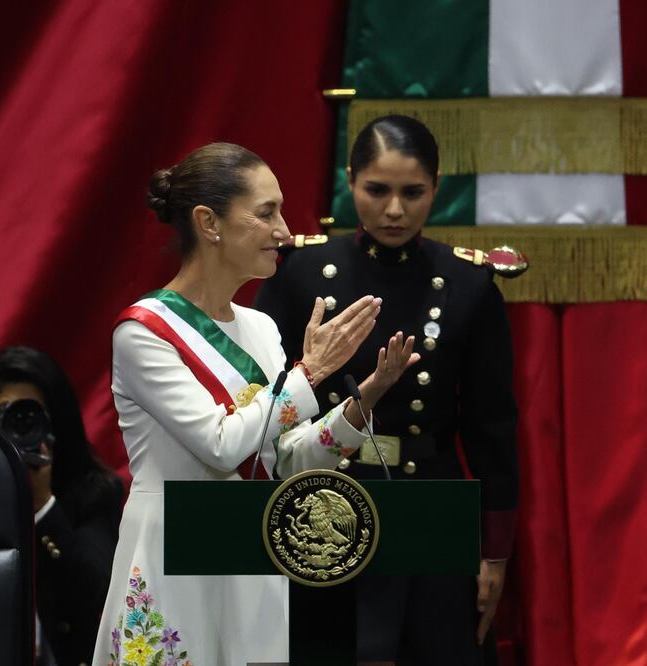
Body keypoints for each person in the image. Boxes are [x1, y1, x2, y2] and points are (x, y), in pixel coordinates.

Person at [90, 142, 419, 666]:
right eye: (266, 213)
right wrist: (309, 374)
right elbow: (222, 447)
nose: (285, 231)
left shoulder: (262, 328)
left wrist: (365, 398)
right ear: (208, 222)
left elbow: (286, 462)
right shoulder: (143, 332)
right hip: (174, 550)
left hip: (250, 550)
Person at [254, 114, 520, 665]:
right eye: (377, 190)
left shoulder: (469, 284)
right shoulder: (301, 274)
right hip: (320, 503)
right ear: (350, 181)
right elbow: (267, 410)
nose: (394, 210)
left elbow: (493, 428)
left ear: (437, 188)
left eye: (412, 192)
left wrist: (494, 554)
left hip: (430, 500)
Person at [0, 346, 124, 666]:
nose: (17, 428)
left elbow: (93, 594)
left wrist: (42, 504)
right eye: (4, 415)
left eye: (30, 417)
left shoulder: (93, 491)